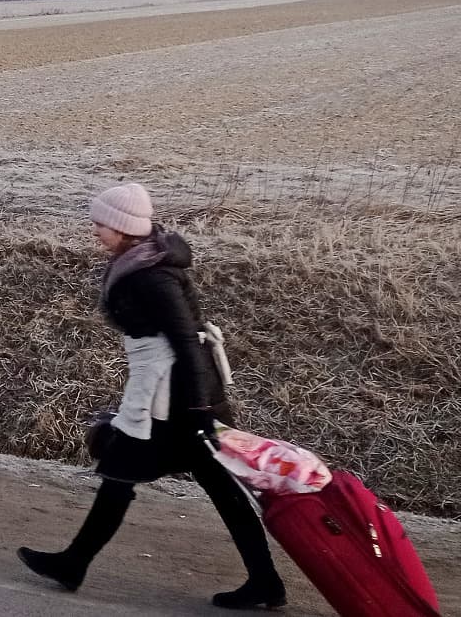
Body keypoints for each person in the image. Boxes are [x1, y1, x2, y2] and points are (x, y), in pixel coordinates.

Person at [17, 183, 284, 610]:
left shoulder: (152, 274)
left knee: (132, 473)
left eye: (100, 223)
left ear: (122, 228)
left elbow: (186, 340)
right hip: (173, 393)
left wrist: (198, 410)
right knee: (147, 478)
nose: (94, 230)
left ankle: (74, 564)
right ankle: (74, 563)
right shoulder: (141, 262)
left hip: (177, 400)